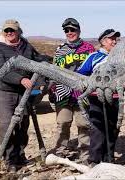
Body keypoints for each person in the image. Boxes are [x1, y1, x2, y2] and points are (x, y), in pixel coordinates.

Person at [0, 19, 42, 172]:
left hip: (24, 92)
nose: (9, 33)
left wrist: (40, 81)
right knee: (7, 125)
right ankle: (9, 160)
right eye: (6, 30)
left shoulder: (26, 46)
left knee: (23, 125)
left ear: (18, 31)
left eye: (12, 30)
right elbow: (0, 70)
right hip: (5, 92)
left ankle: (20, 156)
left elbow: (38, 62)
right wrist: (21, 79)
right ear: (3, 32)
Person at [49, 18, 95, 163]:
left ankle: (85, 155)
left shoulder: (89, 48)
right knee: (63, 123)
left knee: (84, 124)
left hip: (82, 93)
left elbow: (94, 70)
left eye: (72, 30)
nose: (70, 33)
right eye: (67, 30)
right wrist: (51, 89)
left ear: (79, 30)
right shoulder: (60, 50)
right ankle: (61, 152)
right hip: (63, 93)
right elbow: (54, 71)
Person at [76, 28, 121, 166]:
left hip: (115, 97)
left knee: (113, 128)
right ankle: (94, 160)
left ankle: (109, 159)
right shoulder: (93, 57)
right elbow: (81, 74)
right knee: (97, 129)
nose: (114, 41)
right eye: (110, 39)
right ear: (103, 41)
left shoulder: (120, 58)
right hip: (96, 98)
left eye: (115, 39)